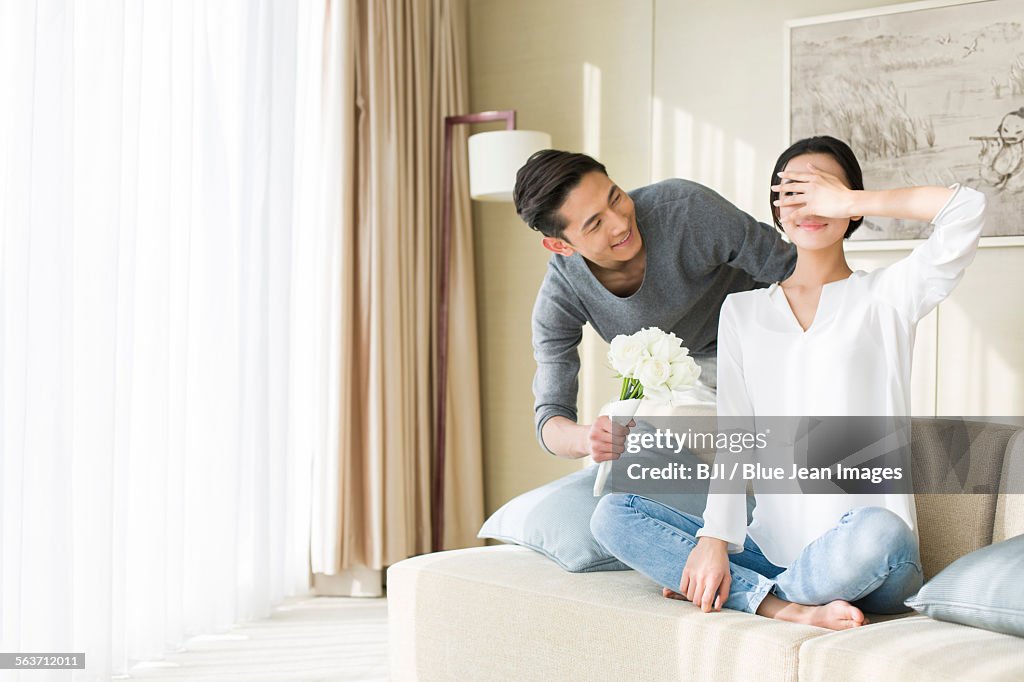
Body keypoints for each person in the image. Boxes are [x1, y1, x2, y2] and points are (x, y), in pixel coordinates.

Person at [590, 136, 986, 630]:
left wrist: (849, 199)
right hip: (768, 549)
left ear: (851, 207)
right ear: (777, 209)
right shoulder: (743, 312)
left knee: (880, 531)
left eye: (824, 190)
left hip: (867, 555)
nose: (810, 203)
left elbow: (967, 209)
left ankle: (744, 593)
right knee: (612, 514)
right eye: (794, 191)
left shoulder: (888, 297)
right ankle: (783, 605)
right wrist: (714, 543)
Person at [513, 150, 796, 462]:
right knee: (632, 443)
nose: (620, 224)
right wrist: (588, 438)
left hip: (773, 337)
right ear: (560, 246)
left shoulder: (685, 209)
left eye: (615, 197)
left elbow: (796, 271)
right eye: (595, 224)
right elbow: (551, 421)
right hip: (691, 380)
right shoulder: (561, 294)